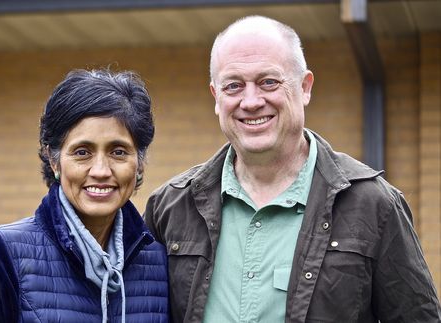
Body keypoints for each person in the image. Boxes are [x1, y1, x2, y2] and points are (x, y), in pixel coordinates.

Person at [144, 15, 441, 323]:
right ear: (216, 98)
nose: (251, 101)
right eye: (233, 86)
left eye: (268, 82)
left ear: (305, 87)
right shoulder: (170, 207)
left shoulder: (372, 204)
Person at [0, 69, 168, 323]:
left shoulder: (159, 262)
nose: (100, 171)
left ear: (139, 163)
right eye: (82, 152)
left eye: (118, 152)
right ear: (54, 161)